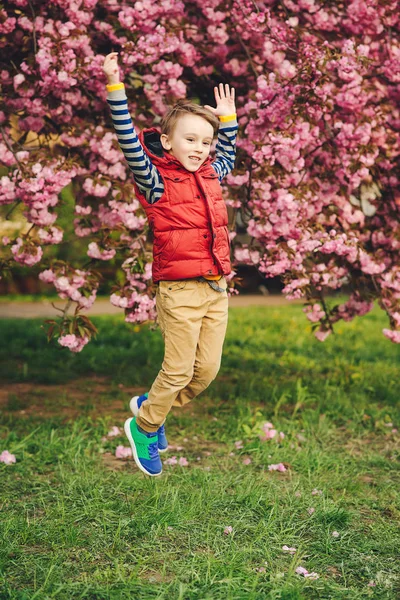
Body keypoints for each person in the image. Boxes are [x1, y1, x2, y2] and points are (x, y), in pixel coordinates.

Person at [103, 52, 238, 477]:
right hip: (179, 290)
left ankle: (151, 406)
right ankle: (143, 426)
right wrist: (115, 87)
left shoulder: (212, 172)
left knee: (207, 372)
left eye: (205, 141)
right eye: (190, 139)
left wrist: (228, 121)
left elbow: (228, 153)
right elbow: (127, 137)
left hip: (216, 288)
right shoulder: (155, 179)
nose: (200, 148)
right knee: (177, 370)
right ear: (167, 142)